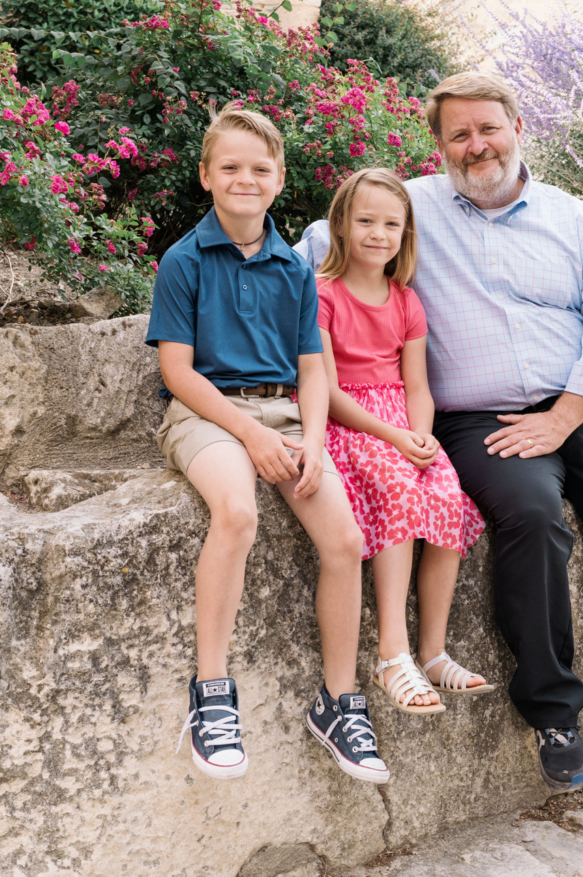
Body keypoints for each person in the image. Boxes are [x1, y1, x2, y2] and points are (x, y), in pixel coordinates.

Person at [295, 73, 583, 816]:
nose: (476, 146)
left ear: (518, 126)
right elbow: (322, 245)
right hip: (476, 422)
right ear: (439, 147)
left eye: (488, 129)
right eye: (458, 135)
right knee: (533, 522)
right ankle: (555, 720)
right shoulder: (411, 209)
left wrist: (562, 419)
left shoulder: (576, 220)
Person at [146, 103, 388, 785]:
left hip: (285, 414)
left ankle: (338, 702)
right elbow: (177, 371)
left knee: (344, 541)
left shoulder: (293, 268)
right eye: (230, 167)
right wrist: (251, 434)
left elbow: (313, 369)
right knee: (239, 513)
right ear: (206, 175)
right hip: (207, 415)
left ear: (280, 179)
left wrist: (312, 439)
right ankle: (212, 692)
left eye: (259, 169)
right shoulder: (184, 259)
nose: (244, 179)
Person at [313, 168, 493, 716]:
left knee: (445, 492)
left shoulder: (406, 300)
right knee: (396, 489)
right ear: (341, 225)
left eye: (392, 224)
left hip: (401, 422)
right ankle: (391, 652)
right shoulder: (321, 295)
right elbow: (327, 389)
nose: (378, 234)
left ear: (405, 234)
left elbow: (417, 384)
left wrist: (421, 437)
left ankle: (432, 651)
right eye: (365, 220)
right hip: (351, 425)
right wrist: (392, 436)